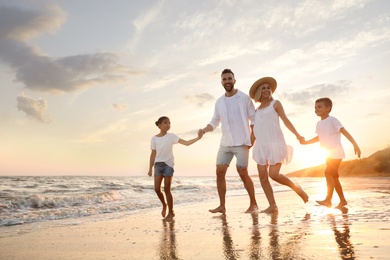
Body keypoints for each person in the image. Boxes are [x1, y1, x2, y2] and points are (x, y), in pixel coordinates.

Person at [199, 68, 258, 214]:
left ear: (234, 81)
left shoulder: (244, 98)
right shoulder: (219, 102)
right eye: (224, 79)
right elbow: (214, 122)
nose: (227, 82)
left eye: (229, 79)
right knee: (219, 172)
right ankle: (222, 206)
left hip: (242, 143)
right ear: (221, 82)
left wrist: (252, 139)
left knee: (242, 172)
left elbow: (254, 119)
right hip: (225, 143)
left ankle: (254, 204)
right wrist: (204, 130)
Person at [249, 76, 309, 214]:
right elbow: (254, 131)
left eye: (268, 88)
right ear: (259, 91)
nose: (266, 90)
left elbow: (286, 121)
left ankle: (297, 189)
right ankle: (272, 205)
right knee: (263, 177)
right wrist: (248, 146)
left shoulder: (275, 104)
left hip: (276, 143)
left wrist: (298, 135)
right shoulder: (256, 111)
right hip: (261, 146)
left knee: (274, 175)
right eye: (263, 88)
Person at [300, 97, 361, 208]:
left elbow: (344, 131)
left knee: (328, 173)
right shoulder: (319, 124)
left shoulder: (332, 120)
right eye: (315, 107)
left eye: (319, 107)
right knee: (333, 176)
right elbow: (319, 137)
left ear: (328, 108)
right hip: (328, 154)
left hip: (336, 153)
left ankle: (330, 199)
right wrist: (306, 143)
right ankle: (341, 200)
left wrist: (355, 144)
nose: (316, 109)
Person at [148, 116, 203, 221]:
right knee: (156, 189)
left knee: (167, 189)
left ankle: (171, 212)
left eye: (169, 123)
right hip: (158, 165)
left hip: (168, 165)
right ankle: (164, 204)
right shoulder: (154, 139)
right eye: (165, 123)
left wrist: (198, 138)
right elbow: (153, 154)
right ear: (159, 125)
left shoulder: (172, 136)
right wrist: (150, 168)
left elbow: (186, 143)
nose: (168, 125)